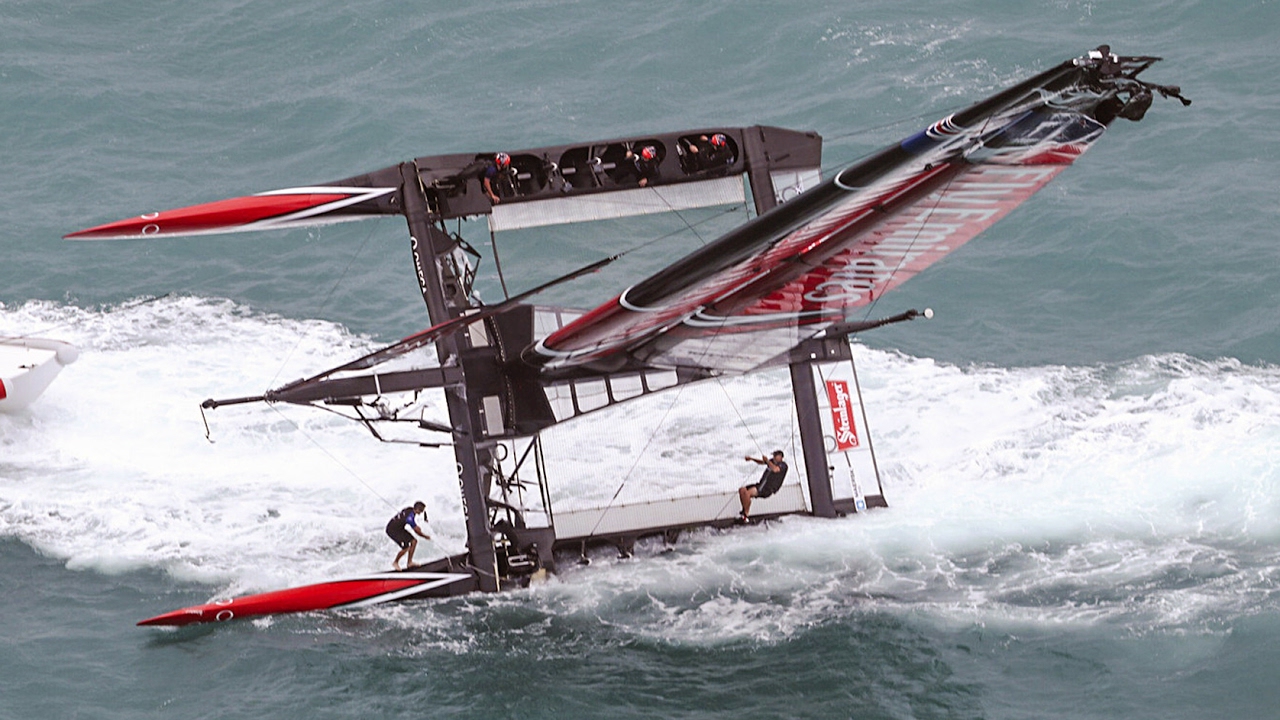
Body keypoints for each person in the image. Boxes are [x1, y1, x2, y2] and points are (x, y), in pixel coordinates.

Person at [738, 450, 787, 523]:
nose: (773, 457)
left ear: (781, 457)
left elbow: (775, 469)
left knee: (747, 493)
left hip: (767, 488)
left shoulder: (783, 465)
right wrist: (751, 459)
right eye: (773, 455)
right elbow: (761, 462)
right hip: (761, 484)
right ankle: (744, 512)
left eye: (775, 456)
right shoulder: (771, 462)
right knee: (742, 490)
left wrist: (767, 461)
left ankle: (745, 515)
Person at [386, 501, 431, 570]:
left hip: (399, 528)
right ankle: (395, 562)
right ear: (417, 509)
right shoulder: (410, 518)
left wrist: (417, 525)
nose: (421, 513)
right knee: (406, 547)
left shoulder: (410, 509)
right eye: (421, 511)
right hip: (392, 530)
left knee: (414, 541)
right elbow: (416, 531)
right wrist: (425, 536)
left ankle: (409, 563)